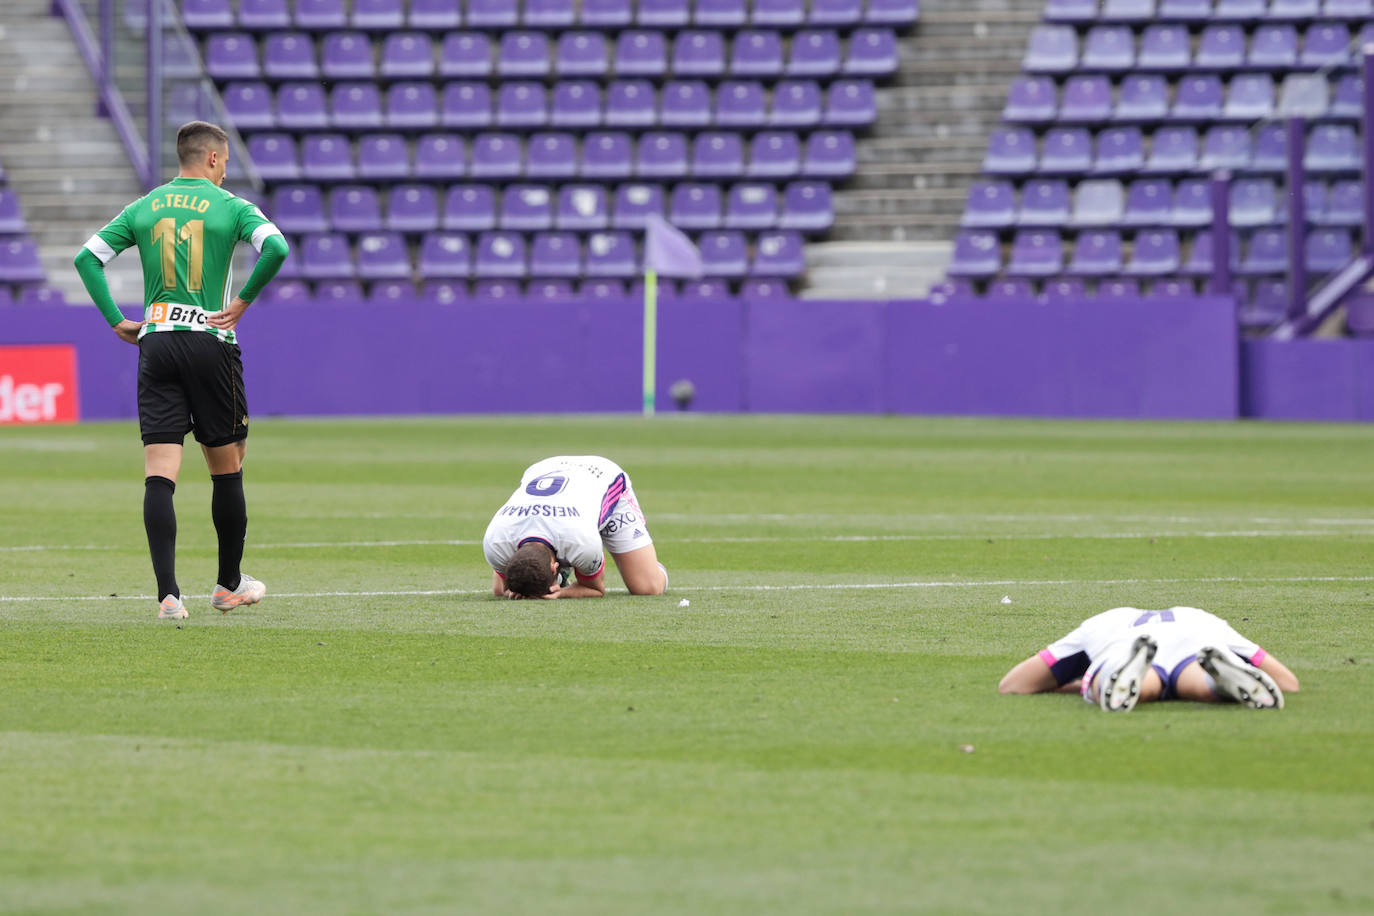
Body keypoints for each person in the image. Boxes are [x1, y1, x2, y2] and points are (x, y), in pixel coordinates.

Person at [73, 121, 290, 620]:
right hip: (211, 338)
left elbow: (88, 259)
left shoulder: (144, 206)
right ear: (214, 159)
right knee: (226, 465)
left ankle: (169, 596)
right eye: (227, 161)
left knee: (159, 473)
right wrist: (241, 302)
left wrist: (115, 322)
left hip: (157, 341)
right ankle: (228, 584)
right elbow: (276, 248)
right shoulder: (232, 206)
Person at [998, 605, 1299, 712]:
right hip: (1195, 640)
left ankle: (1119, 674)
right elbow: (1287, 682)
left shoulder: (1100, 623)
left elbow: (1014, 684)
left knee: (1135, 683)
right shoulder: (1202, 618)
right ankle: (1219, 682)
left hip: (1123, 644)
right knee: (1193, 680)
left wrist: (1075, 684)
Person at [483, 456, 668, 599]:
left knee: (648, 587)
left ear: (554, 567)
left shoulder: (582, 541)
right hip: (543, 469)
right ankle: (563, 574)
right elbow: (505, 589)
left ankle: (651, 564)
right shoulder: (496, 541)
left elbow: (595, 588)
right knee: (499, 590)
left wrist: (563, 593)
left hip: (602, 476)